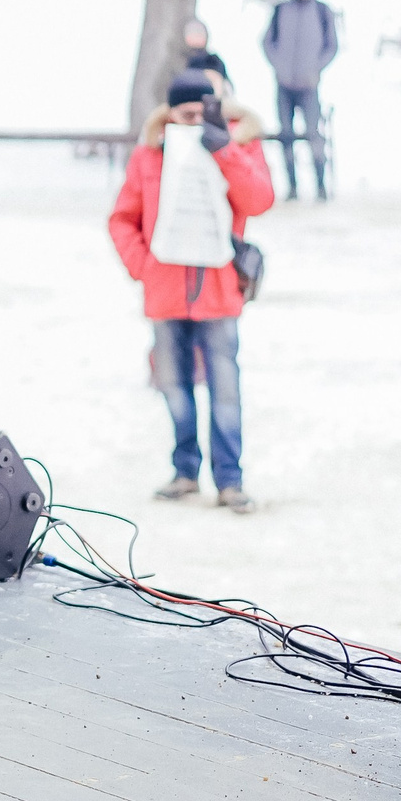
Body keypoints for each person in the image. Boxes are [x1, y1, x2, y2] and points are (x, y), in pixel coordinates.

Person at [108, 69, 275, 512]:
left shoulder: (237, 142)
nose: (196, 122)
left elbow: (259, 200)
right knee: (174, 388)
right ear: (169, 115)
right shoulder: (150, 153)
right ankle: (185, 472)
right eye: (187, 115)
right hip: (165, 292)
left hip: (219, 291)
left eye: (205, 114)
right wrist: (143, 267)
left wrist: (224, 150)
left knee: (225, 390)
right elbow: (122, 218)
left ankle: (230, 481)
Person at [260, 0, 337, 201]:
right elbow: (267, 42)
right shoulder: (281, 10)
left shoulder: (322, 11)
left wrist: (315, 68)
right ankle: (292, 187)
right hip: (284, 86)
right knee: (286, 136)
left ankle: (320, 187)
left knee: (314, 135)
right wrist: (279, 66)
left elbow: (331, 46)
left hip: (309, 86)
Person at [181, 17, 231, 93]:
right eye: (190, 33)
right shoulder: (184, 60)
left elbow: (218, 80)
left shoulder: (212, 60)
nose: (195, 37)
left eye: (198, 33)